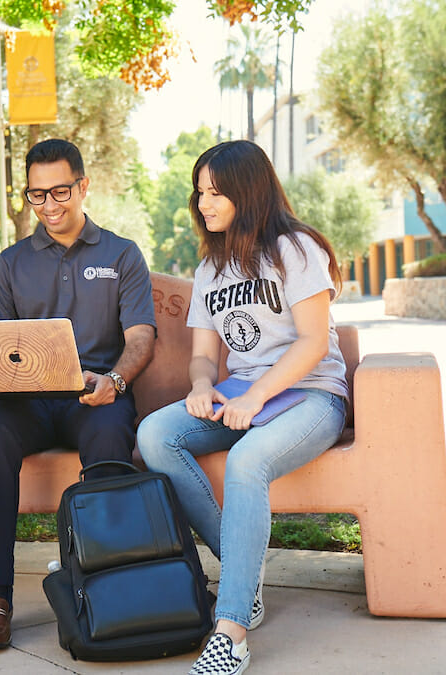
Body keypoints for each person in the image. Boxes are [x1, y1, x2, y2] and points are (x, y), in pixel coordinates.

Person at [136, 140, 349, 675]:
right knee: (156, 435)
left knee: (247, 460)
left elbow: (313, 344)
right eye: (200, 192)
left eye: (215, 192)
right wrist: (204, 387)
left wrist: (256, 395)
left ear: (247, 193)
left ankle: (230, 629)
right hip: (242, 394)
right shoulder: (213, 267)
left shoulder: (298, 249)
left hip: (310, 393)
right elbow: (206, 355)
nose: (203, 203)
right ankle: (243, 579)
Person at [0, 138, 157, 650]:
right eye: (36, 195)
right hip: (26, 402)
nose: (49, 206)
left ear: (83, 186)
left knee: (110, 431)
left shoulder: (122, 255)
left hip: (94, 395)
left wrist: (113, 381)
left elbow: (141, 337)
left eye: (60, 191)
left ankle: (102, 582)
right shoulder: (10, 264)